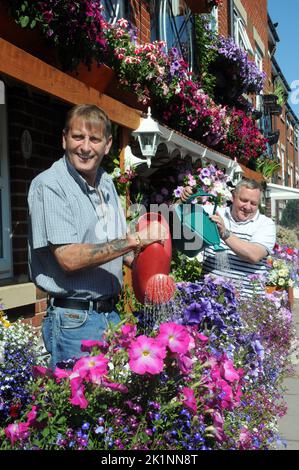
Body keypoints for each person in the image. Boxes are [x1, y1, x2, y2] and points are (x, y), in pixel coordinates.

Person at [28, 104, 166, 368]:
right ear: (64, 138)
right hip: (74, 321)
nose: (85, 147)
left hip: (110, 315)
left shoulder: (105, 181)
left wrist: (153, 266)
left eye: (94, 139)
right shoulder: (50, 185)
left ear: (107, 144)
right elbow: (68, 258)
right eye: (78, 137)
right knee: (81, 406)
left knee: (112, 407)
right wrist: (136, 241)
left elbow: (117, 245)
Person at [180, 179, 276, 296]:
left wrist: (225, 233)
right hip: (210, 300)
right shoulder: (213, 212)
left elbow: (254, 255)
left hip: (248, 304)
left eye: (253, 203)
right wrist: (185, 199)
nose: (248, 206)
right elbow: (181, 216)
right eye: (244, 200)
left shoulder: (265, 224)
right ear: (233, 197)